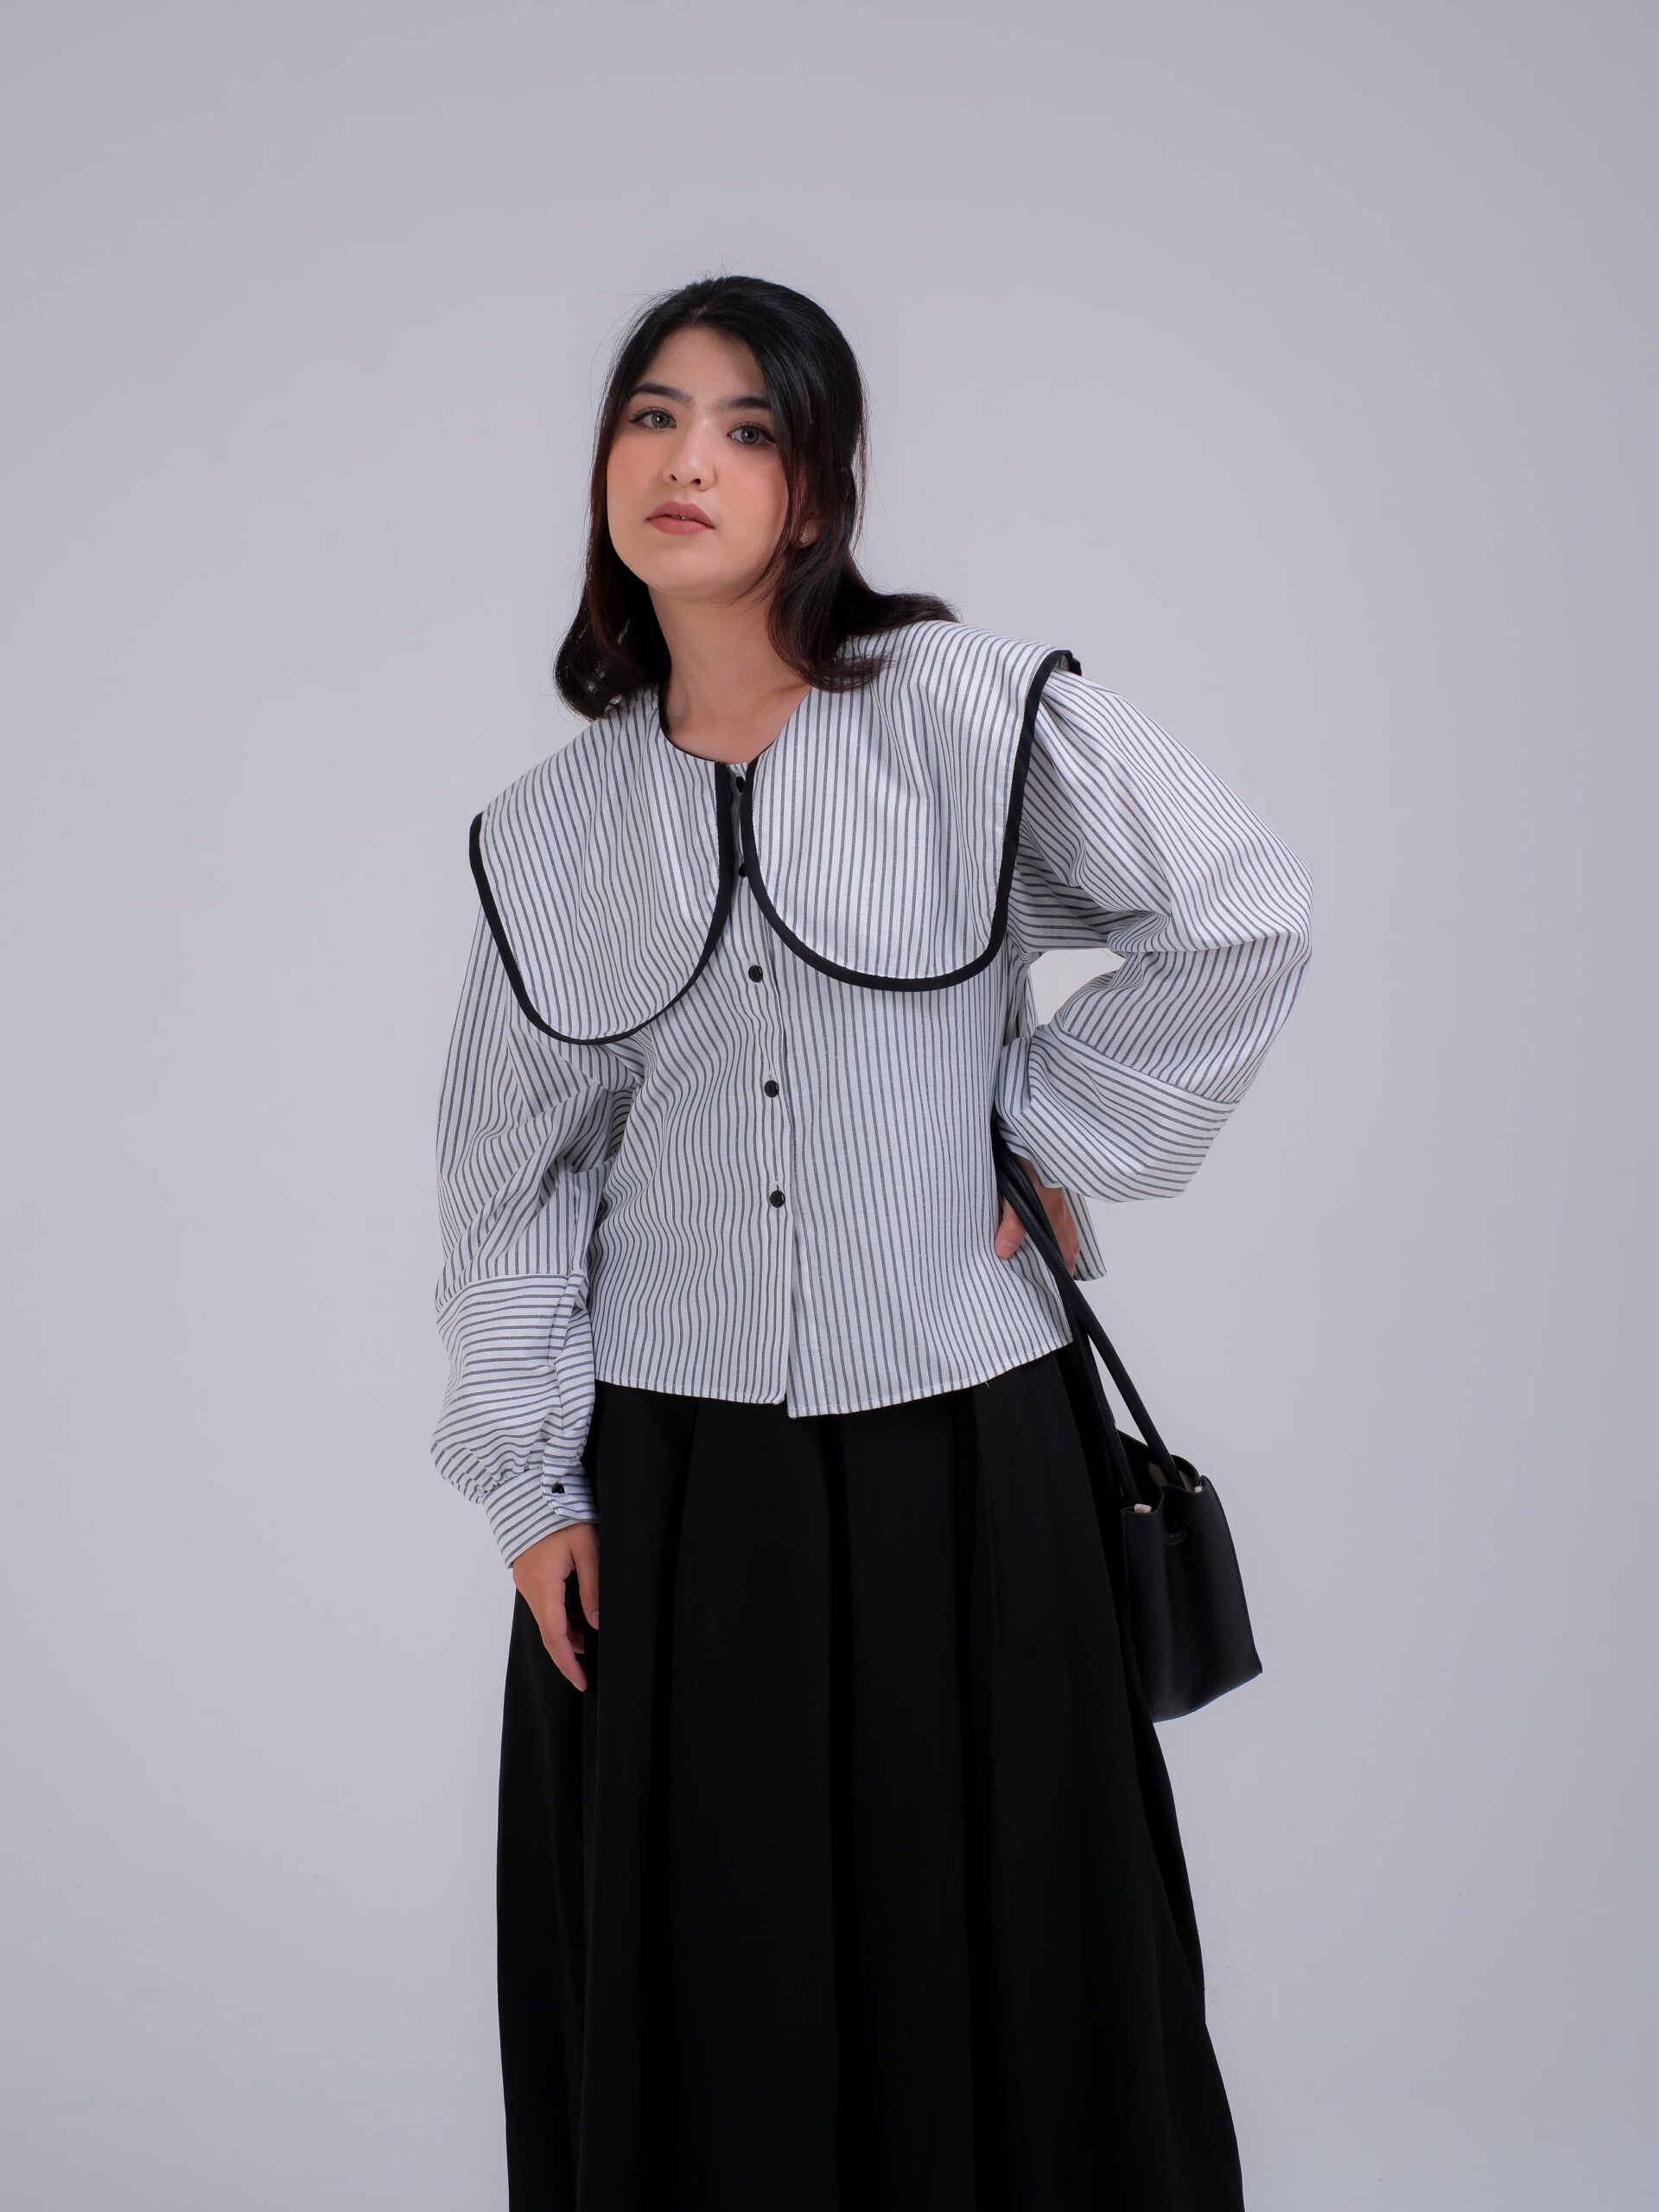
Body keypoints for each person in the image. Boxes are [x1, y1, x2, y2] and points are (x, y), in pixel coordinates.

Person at [429, 272, 1313, 2212]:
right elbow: (511, 1177)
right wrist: (528, 1481)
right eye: (653, 415)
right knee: (713, 1978)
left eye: (749, 428)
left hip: (969, 1451)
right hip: (674, 1489)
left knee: (1005, 1947)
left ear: (818, 491)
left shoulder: (971, 713)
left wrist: (1059, 1132)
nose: (688, 459)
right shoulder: (550, 830)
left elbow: (1239, 908)